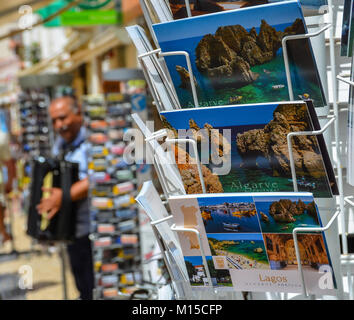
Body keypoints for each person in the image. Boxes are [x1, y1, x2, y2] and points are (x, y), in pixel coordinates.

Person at [36, 96, 94, 300]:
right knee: (82, 288)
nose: (59, 125)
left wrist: (64, 196)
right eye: (54, 120)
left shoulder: (92, 140)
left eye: (63, 118)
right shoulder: (61, 144)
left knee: (94, 287)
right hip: (72, 232)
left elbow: (97, 178)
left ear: (77, 113)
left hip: (92, 232)